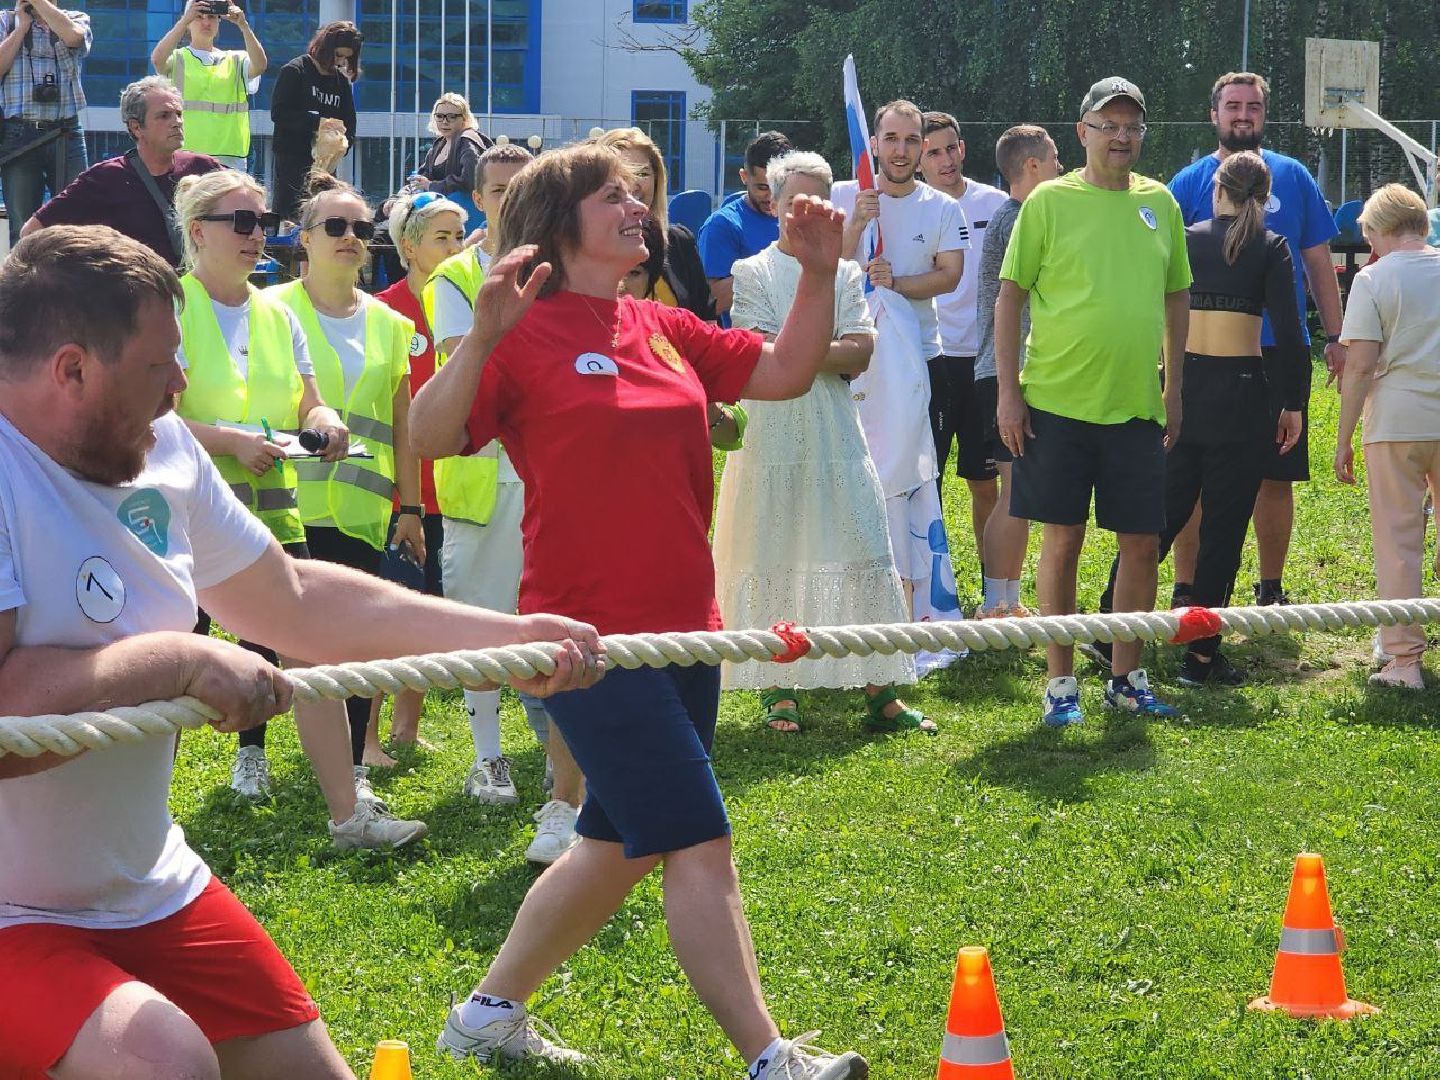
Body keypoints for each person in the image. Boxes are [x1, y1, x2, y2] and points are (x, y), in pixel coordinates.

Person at [0, 225, 602, 1080]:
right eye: (158, 368)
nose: (180, 389)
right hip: (9, 916)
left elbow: (292, 600)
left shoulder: (163, 448)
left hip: (147, 886)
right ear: (70, 370)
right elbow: (4, 728)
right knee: (163, 1062)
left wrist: (504, 639)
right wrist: (182, 660)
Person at [410, 141, 867, 1078]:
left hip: (683, 628)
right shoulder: (520, 331)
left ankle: (487, 1013)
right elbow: (431, 435)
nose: (636, 204)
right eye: (611, 195)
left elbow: (782, 371)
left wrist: (819, 273)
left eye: (636, 191)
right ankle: (771, 1058)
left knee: (616, 841)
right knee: (699, 835)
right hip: (584, 639)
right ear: (558, 221)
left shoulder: (661, 323)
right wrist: (485, 338)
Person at [171, 169, 422, 850]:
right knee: (163, 663)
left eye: (263, 220)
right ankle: (140, 821)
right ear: (198, 231)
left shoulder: (277, 313)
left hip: (269, 515)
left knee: (313, 658)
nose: (259, 235)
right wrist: (227, 441)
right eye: (241, 222)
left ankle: (348, 817)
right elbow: (143, 417)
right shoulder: (166, 303)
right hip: (176, 517)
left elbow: (308, 399)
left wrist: (326, 418)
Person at [995, 76, 1191, 726]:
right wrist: (1008, 393)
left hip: (1136, 407)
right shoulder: (1049, 202)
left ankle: (1125, 677)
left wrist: (1174, 384)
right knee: (1063, 542)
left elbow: (1176, 295)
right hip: (1054, 403)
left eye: (1132, 125)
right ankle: (1059, 683)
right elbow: (1010, 296)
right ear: (1083, 133)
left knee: (1141, 544)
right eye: (1109, 124)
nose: (1122, 136)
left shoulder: (1159, 203)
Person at [713, 149, 927, 735]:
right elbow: (757, 353)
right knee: (775, 547)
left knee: (860, 543)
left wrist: (799, 355)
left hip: (835, 428)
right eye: (793, 202)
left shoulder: (848, 273)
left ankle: (880, 690)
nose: (804, 213)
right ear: (775, 205)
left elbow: (861, 354)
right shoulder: (751, 272)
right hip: (771, 431)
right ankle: (781, 689)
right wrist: (816, 354)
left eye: (815, 202)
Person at [425, 141, 583, 866]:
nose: (505, 197)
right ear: (479, 196)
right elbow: (483, 360)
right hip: (483, 480)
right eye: (494, 189)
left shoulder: (567, 269)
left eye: (519, 185)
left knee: (558, 626)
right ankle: (488, 756)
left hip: (550, 473)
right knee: (486, 625)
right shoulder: (458, 275)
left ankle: (564, 782)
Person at [1095, 151, 1306, 687]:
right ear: (1265, 197)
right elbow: (1288, 333)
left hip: (1179, 391)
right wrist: (1292, 403)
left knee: (1155, 522)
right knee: (1224, 531)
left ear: (1217, 189)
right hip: (1241, 398)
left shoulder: (1185, 237)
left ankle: (1105, 630)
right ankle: (1202, 654)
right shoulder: (1272, 246)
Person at [264, 173, 429, 817]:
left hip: (363, 506)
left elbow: (403, 424)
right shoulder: (273, 309)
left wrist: (410, 507)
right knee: (274, 633)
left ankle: (354, 765)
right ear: (304, 238)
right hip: (287, 497)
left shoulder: (390, 323)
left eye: (362, 229)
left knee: (355, 641)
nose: (351, 238)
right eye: (335, 226)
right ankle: (254, 755)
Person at [1167, 71, 1344, 608]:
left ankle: (1270, 588)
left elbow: (1318, 263)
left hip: (1275, 354)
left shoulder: (1292, 177)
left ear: (1265, 115)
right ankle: (1185, 589)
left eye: (1253, 107)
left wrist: (1336, 335)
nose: (1243, 115)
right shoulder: (1189, 183)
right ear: (1214, 114)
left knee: (1275, 476)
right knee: (1189, 480)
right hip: (1204, 354)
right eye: (1233, 106)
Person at [830, 100, 968, 653]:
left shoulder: (940, 207)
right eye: (892, 139)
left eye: (913, 141)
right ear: (876, 142)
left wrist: (898, 284)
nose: (902, 150)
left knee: (914, 479)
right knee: (857, 474)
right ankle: (852, 597)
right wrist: (856, 227)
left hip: (918, 360)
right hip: (853, 358)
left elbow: (951, 276)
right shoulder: (847, 196)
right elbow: (828, 267)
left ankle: (917, 604)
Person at [368, 189, 467, 761]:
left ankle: (408, 724)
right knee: (390, 614)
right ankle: (369, 731)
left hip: (453, 484)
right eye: (441, 238)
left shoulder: (465, 302)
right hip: (403, 490)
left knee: (431, 611)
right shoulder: (385, 310)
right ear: (408, 246)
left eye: (459, 236)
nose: (455, 247)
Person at [1335, 184, 1440, 690]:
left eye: (1369, 234)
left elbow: (1358, 366)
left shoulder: (1372, 278)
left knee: (1398, 541)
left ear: (1380, 229)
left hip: (1396, 421)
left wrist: (1343, 437)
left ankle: (1403, 660)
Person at [973, 125, 1062, 618]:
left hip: (1009, 373)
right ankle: (994, 605)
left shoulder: (1015, 216)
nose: (1061, 169)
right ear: (1032, 166)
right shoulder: (1021, 219)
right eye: (1053, 160)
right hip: (1007, 376)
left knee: (1020, 493)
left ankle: (1008, 600)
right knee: (1015, 493)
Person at [921, 111, 1009, 565]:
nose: (944, 159)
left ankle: (994, 589)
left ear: (963, 149)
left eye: (950, 148)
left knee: (985, 482)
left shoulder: (995, 204)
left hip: (984, 360)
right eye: (932, 151)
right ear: (917, 159)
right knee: (924, 480)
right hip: (931, 359)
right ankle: (930, 594)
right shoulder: (910, 208)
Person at [20, 75, 222, 266]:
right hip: (133, 294)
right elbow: (32, 231)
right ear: (136, 127)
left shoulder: (203, 168)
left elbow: (247, 204)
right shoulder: (104, 178)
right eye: (164, 116)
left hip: (196, 294)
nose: (176, 122)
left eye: (178, 114)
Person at [597, 126, 715, 320]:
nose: (635, 184)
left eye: (643, 174)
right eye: (624, 173)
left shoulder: (679, 241)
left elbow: (707, 321)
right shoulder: (584, 250)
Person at [0, 0, 89, 247]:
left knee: (77, 219)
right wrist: (21, 28)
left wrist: (40, 5)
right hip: (19, 133)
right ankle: (23, 285)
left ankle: (71, 282)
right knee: (22, 225)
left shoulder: (74, 18)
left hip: (66, 132)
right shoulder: (6, 21)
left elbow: (74, 37)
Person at [150, 0, 266, 169]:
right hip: (186, 155)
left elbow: (260, 65)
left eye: (212, 16)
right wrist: (183, 21)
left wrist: (243, 25)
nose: (206, 22)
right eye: (199, 17)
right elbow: (157, 60)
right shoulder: (178, 58)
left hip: (229, 158)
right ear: (189, 22)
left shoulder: (236, 59)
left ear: (219, 21)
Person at [269, 21, 359, 222]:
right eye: (338, 56)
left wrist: (343, 144)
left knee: (321, 215)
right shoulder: (295, 70)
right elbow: (279, 113)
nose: (341, 62)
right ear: (326, 49)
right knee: (290, 216)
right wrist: (317, 123)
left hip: (325, 167)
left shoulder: (341, 82)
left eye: (346, 58)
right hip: (292, 163)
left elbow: (350, 124)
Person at [698, 129, 793, 316]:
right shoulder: (722, 225)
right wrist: (778, 264)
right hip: (750, 341)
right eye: (762, 187)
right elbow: (711, 302)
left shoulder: (801, 216)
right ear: (744, 177)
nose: (772, 197)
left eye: (780, 186)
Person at [409, 92, 490, 198]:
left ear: (464, 119)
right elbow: (420, 178)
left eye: (452, 117)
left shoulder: (467, 142)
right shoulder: (438, 145)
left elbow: (470, 180)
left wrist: (431, 185)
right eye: (439, 116)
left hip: (465, 210)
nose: (445, 122)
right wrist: (397, 198)